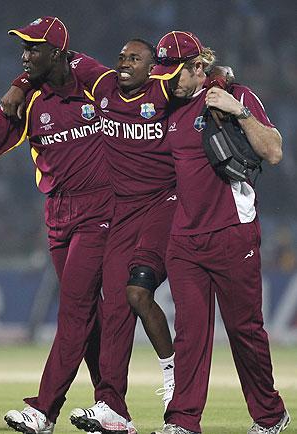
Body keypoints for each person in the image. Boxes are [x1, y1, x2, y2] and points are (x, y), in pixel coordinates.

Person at [0, 16, 125, 434]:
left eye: (34, 48)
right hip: (57, 214)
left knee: (74, 309)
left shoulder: (95, 81)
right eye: (23, 49)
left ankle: (43, 411)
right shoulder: (29, 97)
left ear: (58, 52)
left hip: (100, 211)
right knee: (88, 315)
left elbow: (134, 89)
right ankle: (113, 408)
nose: (25, 55)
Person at [3, 36, 179, 433]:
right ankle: (111, 407)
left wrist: (221, 82)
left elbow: (196, 79)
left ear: (153, 67)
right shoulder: (103, 88)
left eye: (134, 58)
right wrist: (21, 81)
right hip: (120, 212)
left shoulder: (166, 91)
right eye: (121, 56)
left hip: (163, 206)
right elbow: (60, 58)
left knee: (132, 294)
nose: (124, 62)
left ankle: (173, 376)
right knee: (114, 307)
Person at [146, 31, 290, 434]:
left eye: (175, 72)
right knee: (190, 336)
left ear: (198, 67)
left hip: (233, 232)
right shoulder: (165, 107)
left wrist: (239, 112)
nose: (167, 81)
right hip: (184, 241)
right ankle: (183, 421)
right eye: (163, 73)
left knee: (245, 332)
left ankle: (270, 415)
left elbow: (274, 152)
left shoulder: (236, 96)